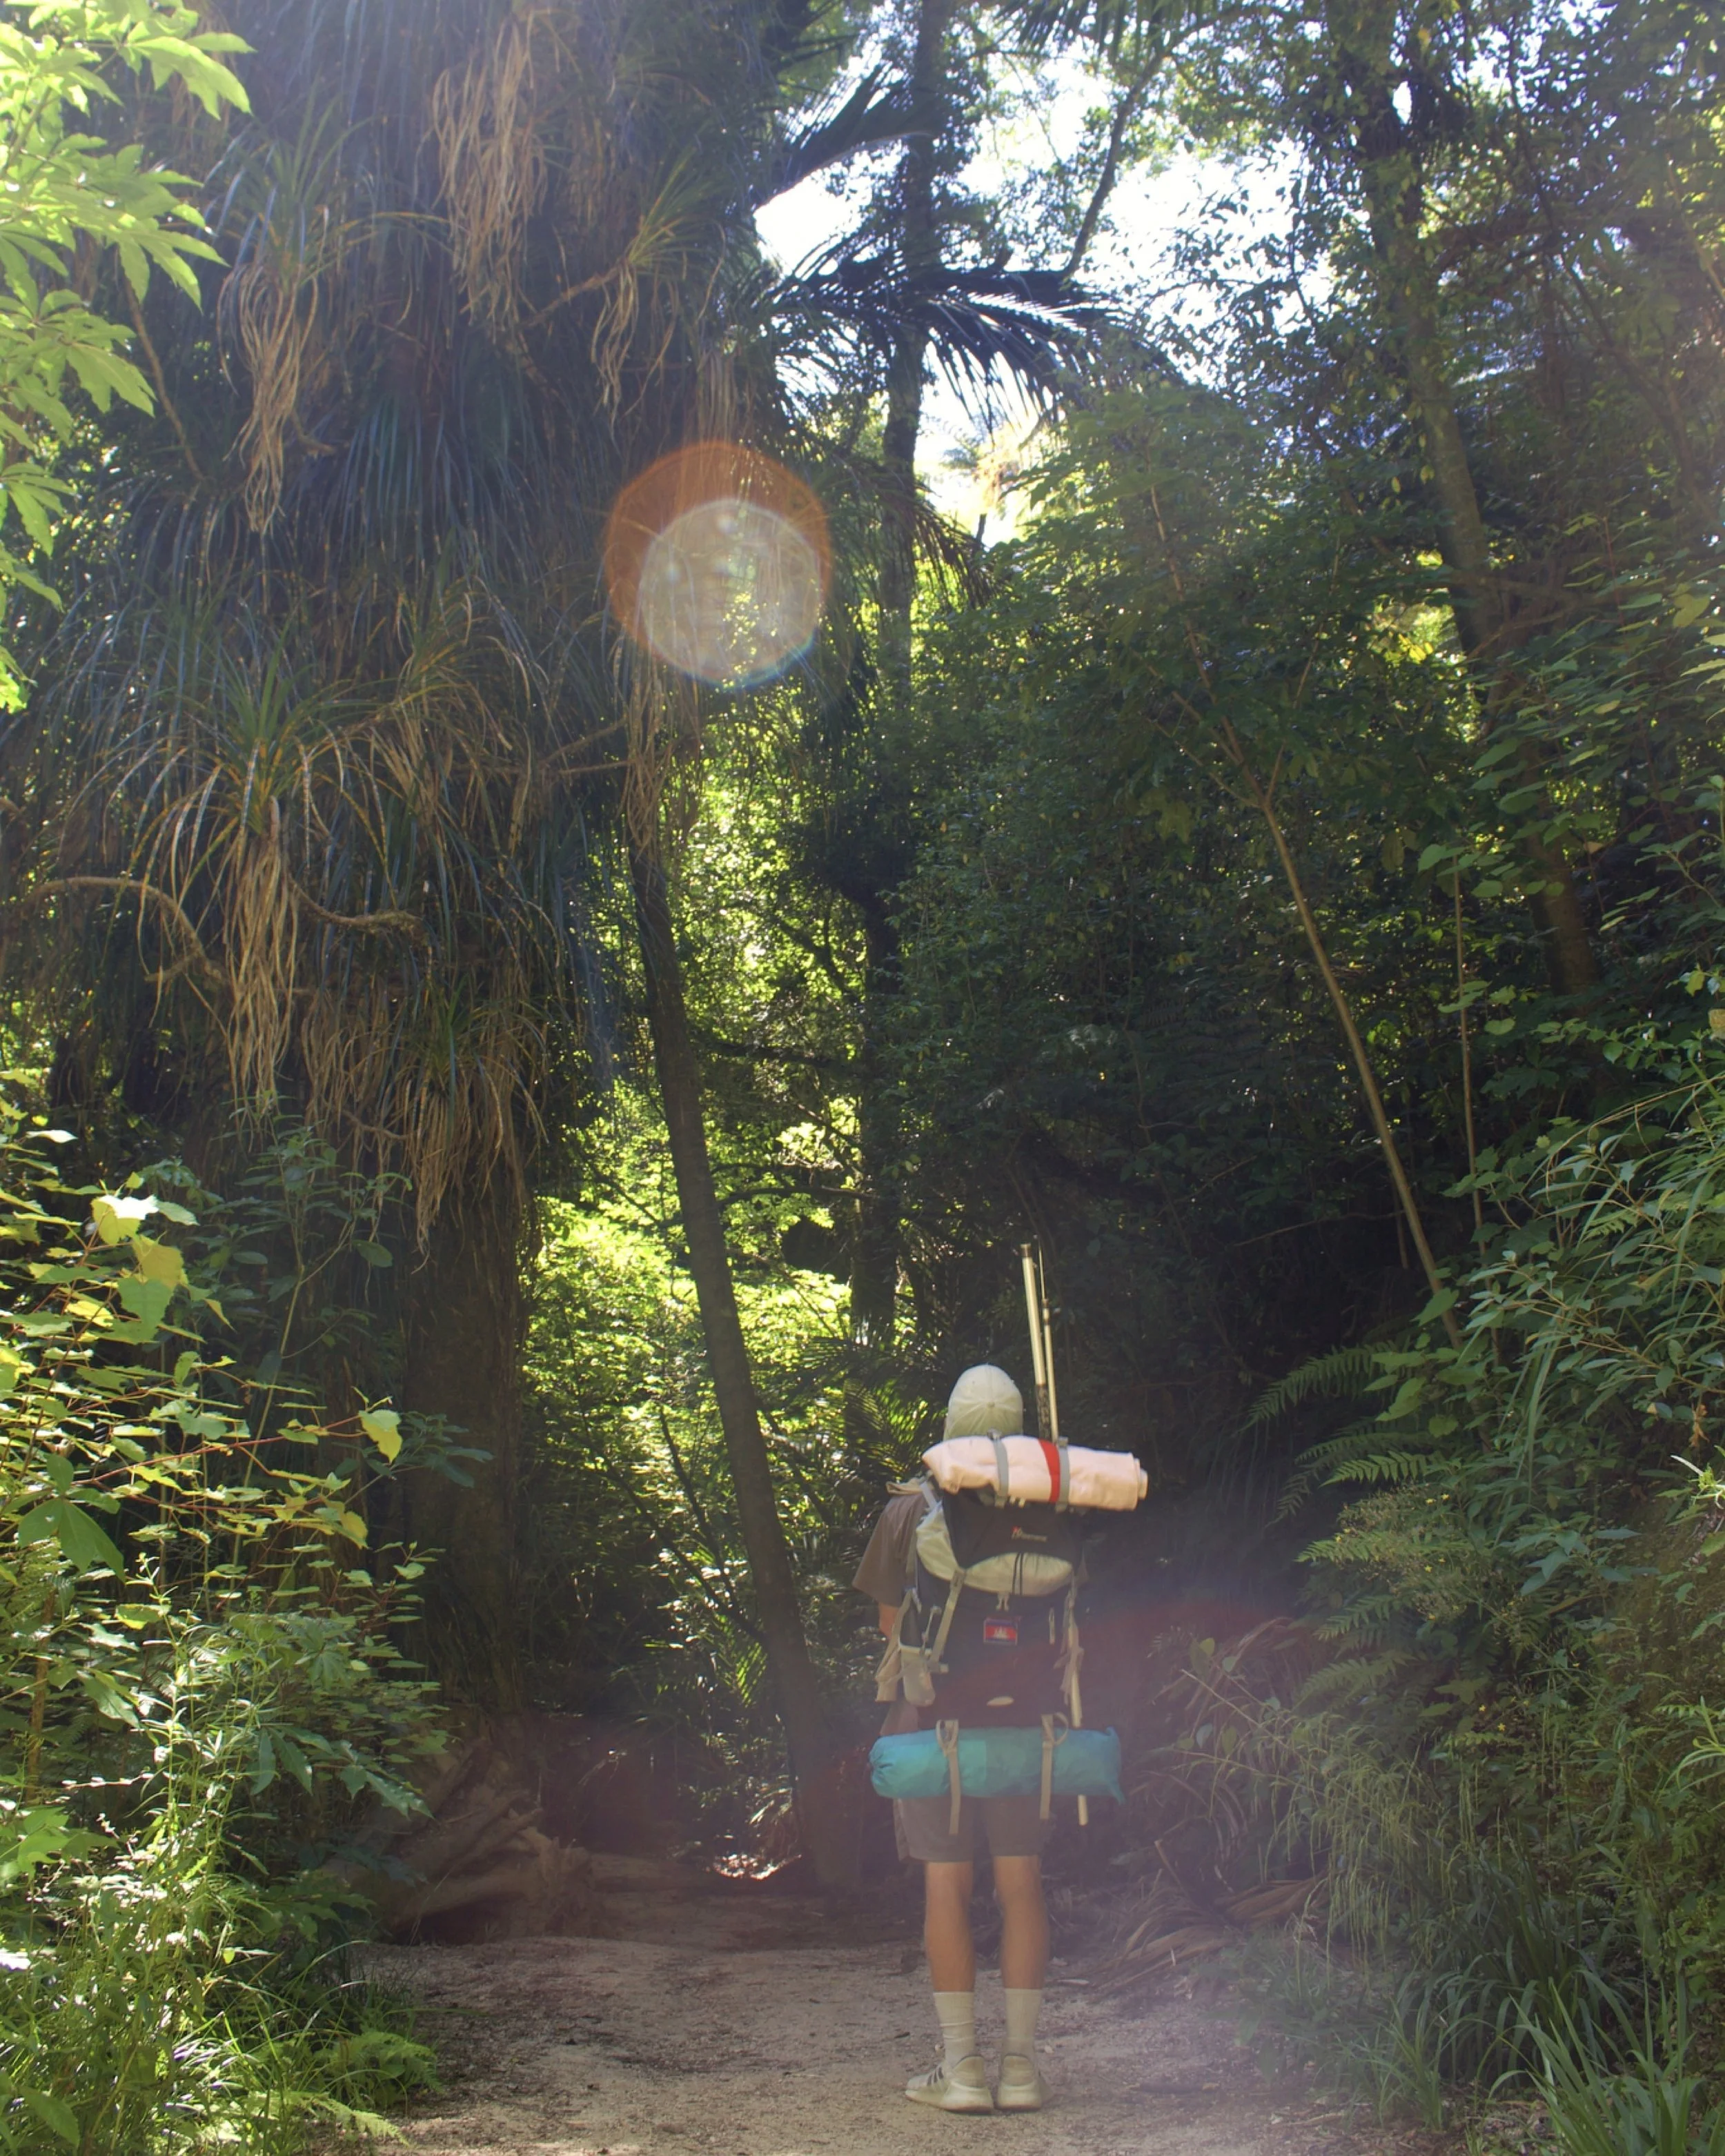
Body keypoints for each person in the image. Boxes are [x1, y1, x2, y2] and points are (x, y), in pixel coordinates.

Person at [852, 1363, 1052, 2115]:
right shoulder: (1047, 1506)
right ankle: (1023, 2067)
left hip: (931, 1719)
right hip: (1027, 1723)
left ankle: (962, 2067)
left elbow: (887, 1626)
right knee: (1021, 1879)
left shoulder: (912, 1509)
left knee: (947, 1881)